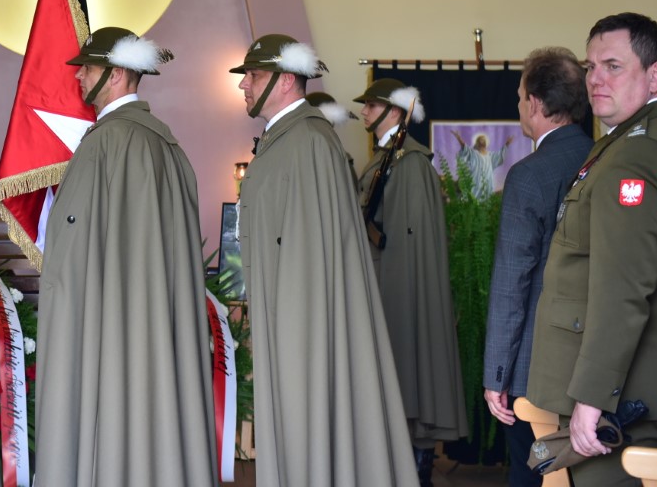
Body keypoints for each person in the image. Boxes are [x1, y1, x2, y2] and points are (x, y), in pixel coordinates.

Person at [232, 35, 417, 487]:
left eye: (253, 74)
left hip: (302, 329)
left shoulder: (309, 142)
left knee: (308, 435)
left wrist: (296, 335)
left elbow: (313, 261)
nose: (244, 85)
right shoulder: (287, 139)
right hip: (285, 321)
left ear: (285, 80)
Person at [35, 26, 216, 487]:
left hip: (111, 326)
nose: (79, 77)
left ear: (115, 74)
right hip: (154, 324)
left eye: (88, 69)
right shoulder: (167, 146)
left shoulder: (104, 143)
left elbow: (70, 250)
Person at [527, 12, 657, 486]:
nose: (595, 80)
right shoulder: (636, 140)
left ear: (655, 75)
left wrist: (592, 398)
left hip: (622, 403)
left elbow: (622, 287)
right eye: (590, 67)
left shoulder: (637, 154)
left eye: (613, 66)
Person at [482, 47, 592, 487]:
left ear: (536, 103)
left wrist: (497, 375)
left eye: (519, 97)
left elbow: (512, 283)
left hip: (534, 366)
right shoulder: (603, 159)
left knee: (532, 471)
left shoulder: (530, 174)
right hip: (595, 361)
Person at [355, 78, 469, 486]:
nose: (364, 112)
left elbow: (408, 245)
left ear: (395, 112)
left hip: (397, 288)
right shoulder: (388, 158)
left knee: (408, 380)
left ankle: (415, 469)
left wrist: (392, 295)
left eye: (372, 105)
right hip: (384, 283)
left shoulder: (409, 163)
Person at [450, 129, 514, 198]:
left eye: (483, 140)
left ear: (485, 143)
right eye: (481, 139)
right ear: (477, 142)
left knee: (486, 196)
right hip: (476, 179)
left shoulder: (490, 155)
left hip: (487, 180)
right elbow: (464, 147)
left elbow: (500, 156)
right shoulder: (473, 153)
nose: (482, 141)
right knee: (474, 197)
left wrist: (507, 144)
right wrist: (459, 138)